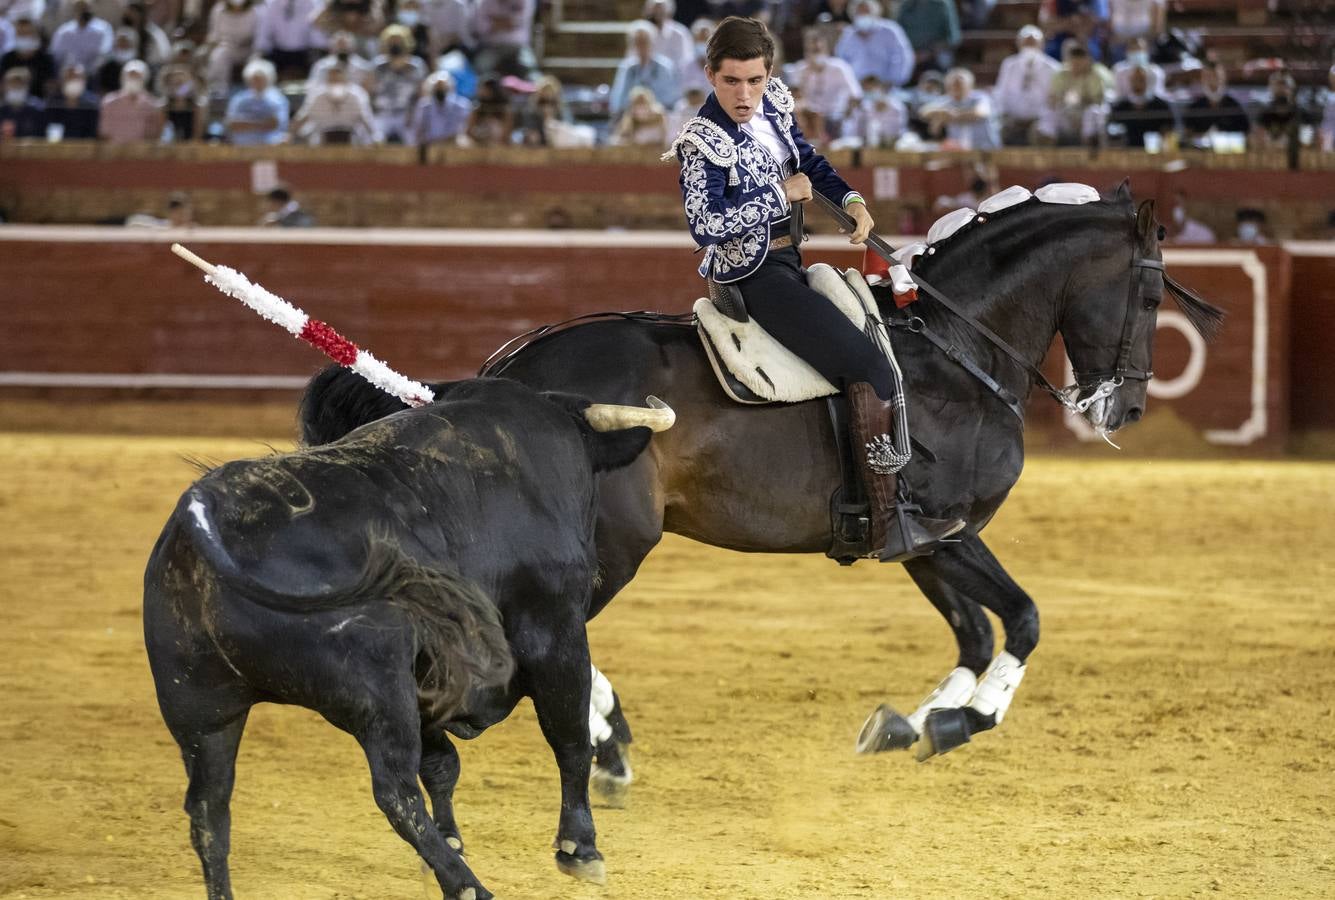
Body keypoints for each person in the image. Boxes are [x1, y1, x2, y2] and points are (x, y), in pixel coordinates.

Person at [664, 16, 964, 562]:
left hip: (790, 264)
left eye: (754, 80)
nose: (744, 94)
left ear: (769, 73)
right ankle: (886, 519)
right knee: (868, 367)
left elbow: (809, 162)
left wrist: (849, 200)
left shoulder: (775, 102)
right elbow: (705, 222)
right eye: (731, 81)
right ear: (710, 74)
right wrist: (782, 195)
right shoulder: (699, 141)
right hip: (751, 277)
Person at [787, 28, 859, 140]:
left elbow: (855, 96)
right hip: (809, 118)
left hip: (834, 117)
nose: (816, 54)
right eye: (812, 50)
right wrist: (808, 73)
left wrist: (845, 117)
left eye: (819, 50)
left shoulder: (840, 68)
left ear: (827, 49)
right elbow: (794, 97)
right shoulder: (800, 69)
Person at [992, 24, 1059, 146]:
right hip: (1012, 118)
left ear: (1041, 45)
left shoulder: (1053, 68)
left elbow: (1054, 99)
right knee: (996, 131)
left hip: (1039, 119)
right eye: (1026, 43)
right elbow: (1001, 93)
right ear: (1019, 44)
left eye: (1033, 43)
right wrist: (1003, 114)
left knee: (1044, 133)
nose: (1030, 47)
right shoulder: (1009, 65)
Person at [1038, 39, 1111, 146]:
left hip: (1085, 113)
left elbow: (1098, 100)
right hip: (1065, 112)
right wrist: (1064, 103)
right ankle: (1047, 151)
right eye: (1074, 62)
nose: (1076, 65)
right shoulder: (1060, 75)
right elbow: (1052, 99)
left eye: (1080, 62)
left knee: (1093, 112)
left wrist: (1081, 101)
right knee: (1048, 113)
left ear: (1087, 61)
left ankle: (1089, 149)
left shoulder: (1094, 75)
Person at [291, 62, 377, 142]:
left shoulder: (358, 95)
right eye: (332, 79)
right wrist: (290, 134)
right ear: (327, 80)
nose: (335, 81)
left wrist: (376, 137)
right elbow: (302, 117)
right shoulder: (317, 96)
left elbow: (367, 120)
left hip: (352, 139)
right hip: (321, 139)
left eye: (338, 79)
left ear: (345, 79)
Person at [834, 0, 912, 88]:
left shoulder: (890, 31)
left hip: (886, 86)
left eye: (866, 11)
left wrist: (893, 81)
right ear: (852, 15)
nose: (863, 15)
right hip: (857, 87)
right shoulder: (847, 35)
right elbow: (841, 61)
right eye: (859, 12)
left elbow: (903, 57)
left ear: (875, 13)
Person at [611, 18, 680, 118]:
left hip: (658, 117)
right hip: (633, 118)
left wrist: (649, 105)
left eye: (644, 41)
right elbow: (618, 99)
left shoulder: (664, 66)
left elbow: (670, 98)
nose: (641, 46)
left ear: (652, 42)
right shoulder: (627, 67)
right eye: (637, 42)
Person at [370, 23, 426, 142]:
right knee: (374, 140)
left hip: (406, 114)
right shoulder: (377, 65)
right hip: (382, 113)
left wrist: (413, 114)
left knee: (412, 140)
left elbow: (422, 95)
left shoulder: (416, 66)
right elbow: (369, 92)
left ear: (406, 42)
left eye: (398, 40)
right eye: (391, 41)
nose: (395, 44)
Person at [919, 65, 997, 149]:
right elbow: (924, 112)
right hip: (958, 150)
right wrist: (941, 114)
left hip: (986, 149)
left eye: (960, 83)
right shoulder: (946, 100)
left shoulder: (980, 97)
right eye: (954, 84)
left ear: (970, 85)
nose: (957, 87)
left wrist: (952, 116)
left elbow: (981, 113)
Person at [1107, 64, 1175, 148]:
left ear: (1148, 80)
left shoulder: (1161, 106)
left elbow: (1169, 131)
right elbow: (1113, 131)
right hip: (1128, 152)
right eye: (1135, 79)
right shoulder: (1120, 107)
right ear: (1130, 81)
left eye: (1141, 79)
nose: (1138, 82)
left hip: (1156, 150)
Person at [97, 58, 163, 142]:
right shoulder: (109, 101)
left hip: (141, 152)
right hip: (114, 151)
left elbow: (153, 134)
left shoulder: (152, 104)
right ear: (123, 77)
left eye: (137, 77)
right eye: (130, 76)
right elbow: (104, 133)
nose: (133, 80)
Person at [224, 57, 288, 144]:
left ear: (269, 79)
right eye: (254, 79)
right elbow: (231, 124)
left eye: (261, 79)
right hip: (242, 146)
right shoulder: (239, 99)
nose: (257, 83)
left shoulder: (277, 99)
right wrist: (261, 124)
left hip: (270, 145)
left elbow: (275, 124)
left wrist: (246, 124)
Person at [254, 0, 323, 79]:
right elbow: (264, 30)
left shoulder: (312, 3)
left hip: (303, 51)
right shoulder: (272, 3)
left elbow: (316, 31)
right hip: (278, 51)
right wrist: (261, 51)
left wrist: (317, 50)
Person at [1183, 62, 1247, 142]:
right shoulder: (1194, 107)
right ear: (1202, 79)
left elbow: (1245, 134)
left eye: (1216, 76)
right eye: (1208, 77)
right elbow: (1187, 137)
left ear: (1224, 78)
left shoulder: (1234, 106)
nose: (1212, 81)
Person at [895, 0, 959, 76]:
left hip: (935, 54)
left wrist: (929, 52)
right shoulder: (905, 5)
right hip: (910, 54)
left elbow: (953, 38)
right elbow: (897, 34)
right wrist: (911, 54)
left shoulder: (942, 4)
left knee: (944, 60)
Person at [48, 0, 112, 74]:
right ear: (74, 10)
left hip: (93, 75)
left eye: (85, 8)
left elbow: (105, 54)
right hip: (69, 74)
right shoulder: (64, 32)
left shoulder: (103, 29)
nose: (82, 12)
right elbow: (56, 55)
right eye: (79, 9)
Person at [411, 69, 471, 144]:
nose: (440, 89)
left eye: (443, 87)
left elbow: (462, 129)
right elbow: (418, 128)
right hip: (430, 144)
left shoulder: (461, 105)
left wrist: (446, 141)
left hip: (453, 144)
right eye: (437, 87)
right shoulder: (424, 106)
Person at [0, 15, 54, 98]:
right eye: (20, 34)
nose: (23, 37)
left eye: (27, 33)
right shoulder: (7, 58)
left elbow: (51, 88)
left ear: (36, 35)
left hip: (40, 106)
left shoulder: (46, 59)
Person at [44, 61, 97, 137]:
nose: (73, 81)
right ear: (62, 80)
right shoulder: (52, 102)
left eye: (76, 77)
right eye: (69, 77)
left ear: (84, 80)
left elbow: (92, 134)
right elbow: (49, 131)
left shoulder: (92, 104)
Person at [1, 64, 44, 135]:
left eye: (20, 84)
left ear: (27, 86)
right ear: (6, 86)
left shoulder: (36, 110)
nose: (16, 87)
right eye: (12, 84)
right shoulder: (2, 110)